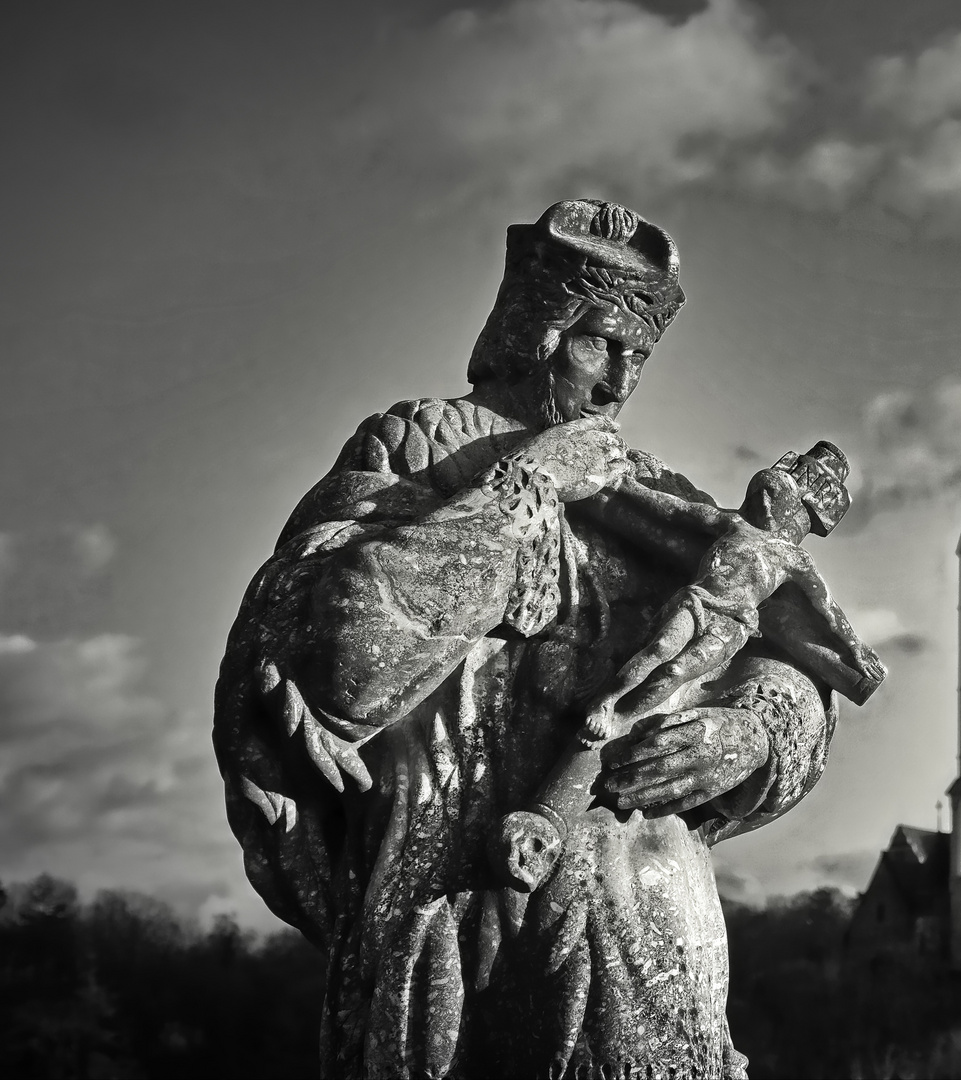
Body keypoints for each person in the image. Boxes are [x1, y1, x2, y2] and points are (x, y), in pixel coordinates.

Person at [213, 200, 866, 1079]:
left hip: (640, 909)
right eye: (601, 344)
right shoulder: (416, 452)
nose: (619, 385)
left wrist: (749, 735)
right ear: (537, 331)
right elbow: (342, 666)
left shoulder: (649, 501)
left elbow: (781, 662)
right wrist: (526, 489)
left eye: (640, 357)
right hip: (445, 898)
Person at [494, 441, 884, 893]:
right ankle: (584, 751)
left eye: (783, 497)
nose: (771, 501)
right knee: (655, 654)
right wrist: (607, 482)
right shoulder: (677, 496)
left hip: (729, 631)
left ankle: (574, 778)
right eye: (771, 491)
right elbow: (669, 510)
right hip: (688, 608)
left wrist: (754, 733)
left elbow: (824, 629)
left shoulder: (791, 578)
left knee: (674, 677)